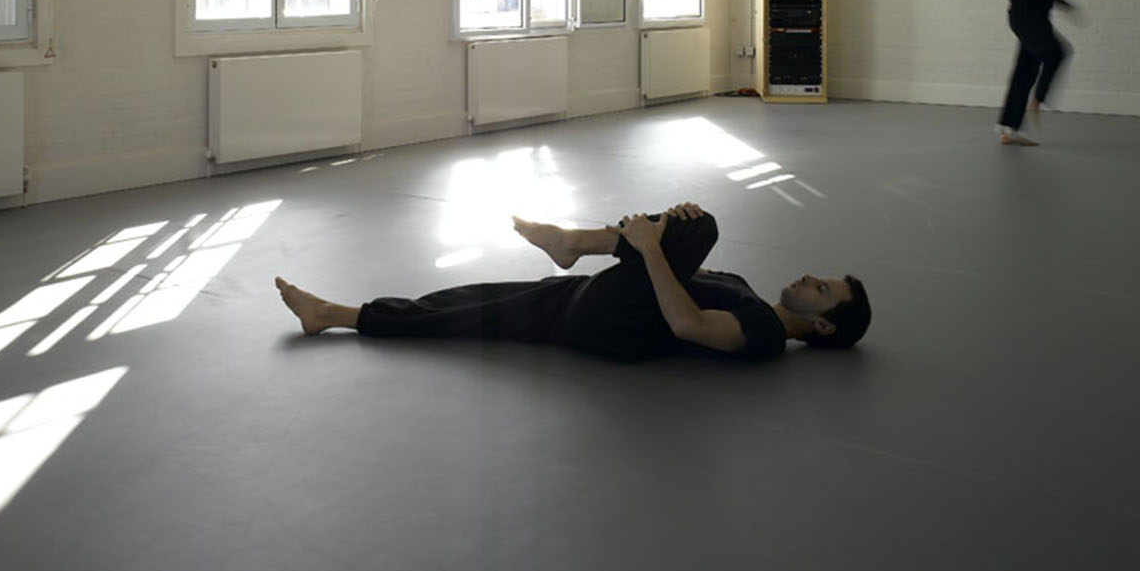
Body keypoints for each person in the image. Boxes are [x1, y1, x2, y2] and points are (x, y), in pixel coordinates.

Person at [275, 204, 870, 362]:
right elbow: (670, 272)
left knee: (702, 225)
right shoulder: (745, 285)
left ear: (821, 325)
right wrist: (657, 238)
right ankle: (335, 313)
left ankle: (570, 244)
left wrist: (647, 246)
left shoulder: (765, 334)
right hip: (586, 305)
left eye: (823, 290)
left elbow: (687, 324)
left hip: (619, 329)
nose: (810, 278)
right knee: (467, 305)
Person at [981, 0, 1076, 146]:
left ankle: (1007, 130)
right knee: (1056, 53)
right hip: (1028, 18)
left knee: (1025, 70)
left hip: (1028, 18)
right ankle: (1038, 98)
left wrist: (1064, 4)